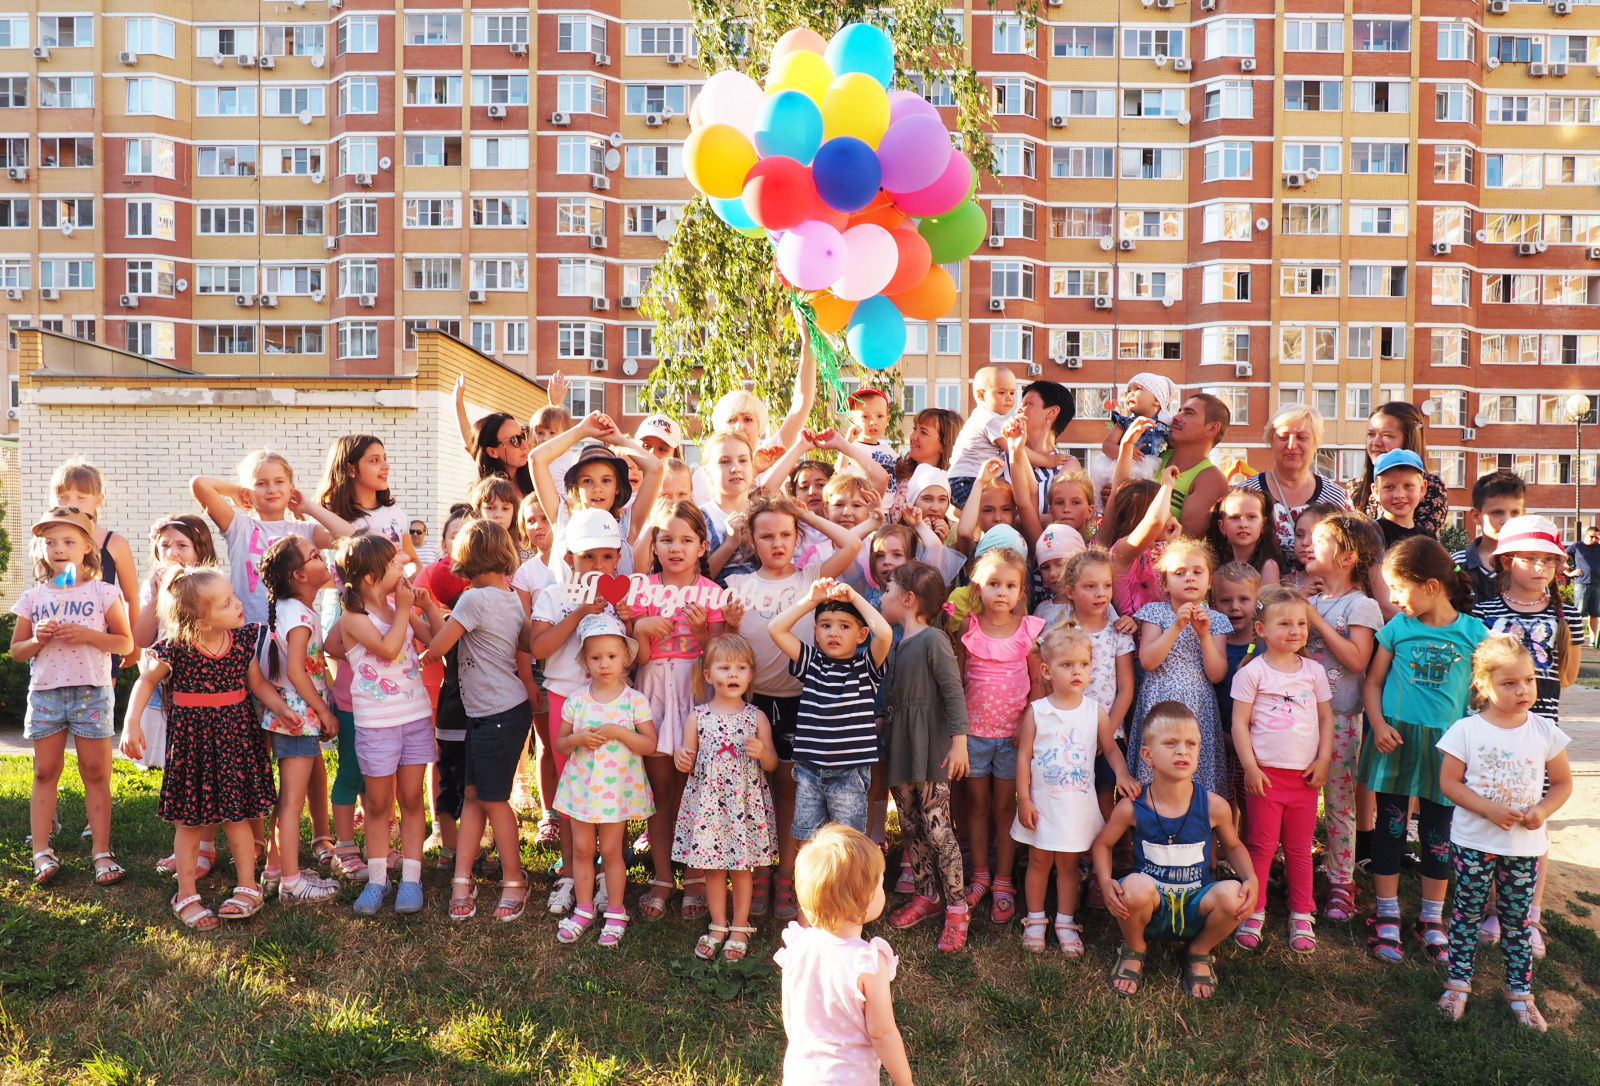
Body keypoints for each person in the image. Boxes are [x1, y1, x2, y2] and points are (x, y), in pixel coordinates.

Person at [122, 569, 291, 929]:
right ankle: (185, 892)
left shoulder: (242, 641)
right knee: (190, 821)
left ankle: (248, 886)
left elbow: (258, 685)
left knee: (237, 815)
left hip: (234, 740)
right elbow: (144, 681)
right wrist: (131, 723)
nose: (238, 604)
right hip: (192, 745)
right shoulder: (175, 648)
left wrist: (282, 709)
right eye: (227, 602)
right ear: (200, 618)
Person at [724, 494, 862, 922]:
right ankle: (757, 872)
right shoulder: (736, 586)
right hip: (753, 703)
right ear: (752, 539)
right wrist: (728, 625)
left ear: (797, 536)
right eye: (766, 535)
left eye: (786, 534)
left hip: (804, 702)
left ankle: (787, 875)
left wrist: (802, 511)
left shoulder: (812, 578)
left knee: (791, 792)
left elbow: (852, 546)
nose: (777, 542)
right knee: (752, 792)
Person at [1359, 537, 1488, 964]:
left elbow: (1486, 693)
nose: (1392, 598)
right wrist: (1377, 725)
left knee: (1438, 837)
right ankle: (1387, 914)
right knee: (1390, 830)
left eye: (1398, 588)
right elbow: (1373, 683)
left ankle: (1432, 919)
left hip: (1447, 752)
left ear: (1432, 586)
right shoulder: (1397, 627)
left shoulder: (1474, 634)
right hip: (1394, 743)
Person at [1437, 636, 1572, 1032]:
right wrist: (1488, 808)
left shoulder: (1545, 731)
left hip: (1523, 848)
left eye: (1528, 680)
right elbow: (1449, 783)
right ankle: (1458, 985)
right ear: (1482, 684)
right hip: (1474, 843)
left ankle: (1520, 995)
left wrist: (1542, 810)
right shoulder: (1466, 730)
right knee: (1465, 914)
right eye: (1510, 682)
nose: (1523, 690)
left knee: (1517, 921)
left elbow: (1562, 783)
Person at [1093, 701, 1258, 999]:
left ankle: (1199, 950)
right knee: (1132, 887)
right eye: (1170, 743)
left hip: (1197, 906)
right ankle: (1133, 948)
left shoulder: (1214, 806)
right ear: (1147, 755)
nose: (1182, 751)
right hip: (1148, 907)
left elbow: (1233, 846)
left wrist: (1251, 879)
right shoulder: (1131, 806)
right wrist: (1105, 882)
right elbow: (1103, 844)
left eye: (1190, 743)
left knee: (1234, 895)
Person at [1471, 514, 1581, 957]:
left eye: (1548, 561)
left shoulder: (1564, 611)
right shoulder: (1484, 611)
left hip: (1541, 727)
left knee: (1534, 817)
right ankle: (1490, 907)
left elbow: (1568, 674)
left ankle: (1528, 914)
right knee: (1491, 811)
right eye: (1529, 558)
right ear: (1505, 561)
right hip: (1490, 728)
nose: (1540, 568)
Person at [13, 506, 134, 887]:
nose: (59, 548)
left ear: (87, 547)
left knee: (96, 773)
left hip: (91, 692)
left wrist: (88, 636)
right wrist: (38, 639)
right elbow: (17, 650)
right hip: (47, 694)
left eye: (68, 541)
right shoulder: (34, 597)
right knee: (45, 772)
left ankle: (101, 852)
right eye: (50, 542)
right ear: (41, 550)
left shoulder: (103, 591)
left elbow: (125, 642)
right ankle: (42, 852)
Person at [422, 520, 535, 924]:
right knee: (474, 795)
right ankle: (461, 876)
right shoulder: (507, 596)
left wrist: (425, 649)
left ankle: (513, 881)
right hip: (498, 711)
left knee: (492, 800)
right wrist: (425, 613)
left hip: (495, 715)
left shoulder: (472, 599)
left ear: (465, 559)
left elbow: (439, 645)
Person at [334, 534, 446, 917]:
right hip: (377, 725)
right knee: (379, 804)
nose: (404, 568)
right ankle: (378, 879)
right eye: (396, 564)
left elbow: (436, 640)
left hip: (414, 717)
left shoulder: (401, 606)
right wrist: (402, 610)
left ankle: (412, 878)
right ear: (370, 578)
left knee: (412, 800)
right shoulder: (354, 618)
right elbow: (389, 648)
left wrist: (426, 608)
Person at [528, 507, 633, 915]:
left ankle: (609, 873)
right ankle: (572, 873)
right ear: (569, 556)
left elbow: (634, 656)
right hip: (564, 700)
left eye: (607, 556)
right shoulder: (554, 594)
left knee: (613, 788)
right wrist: (578, 614)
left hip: (612, 702)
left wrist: (629, 620)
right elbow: (538, 649)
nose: (598, 565)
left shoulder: (621, 595)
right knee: (572, 794)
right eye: (588, 556)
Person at [632, 501, 726, 921]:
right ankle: (663, 875)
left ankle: (696, 877)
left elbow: (719, 655)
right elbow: (637, 657)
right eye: (666, 539)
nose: (676, 548)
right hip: (653, 687)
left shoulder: (712, 592)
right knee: (662, 789)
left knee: (697, 789)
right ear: (653, 545)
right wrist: (641, 630)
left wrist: (704, 630)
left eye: (686, 540)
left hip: (695, 687)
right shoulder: (642, 590)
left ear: (702, 546)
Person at [1229, 587, 1334, 953]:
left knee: (1300, 848)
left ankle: (1302, 913)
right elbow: (1239, 724)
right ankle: (1253, 910)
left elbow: (1325, 718)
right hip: (1266, 778)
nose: (1295, 630)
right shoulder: (1252, 672)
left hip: (1304, 778)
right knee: (1260, 846)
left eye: (1301, 623)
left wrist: (1323, 760)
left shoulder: (1314, 672)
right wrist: (1250, 768)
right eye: (1285, 623)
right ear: (1261, 629)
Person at [878, 561, 972, 952]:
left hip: (931, 746)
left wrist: (960, 741)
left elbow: (953, 692)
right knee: (911, 826)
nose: (882, 596)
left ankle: (956, 908)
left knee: (936, 828)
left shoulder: (933, 640)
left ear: (907, 599)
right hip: (900, 746)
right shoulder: (893, 644)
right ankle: (926, 895)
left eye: (887, 589)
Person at [775, 824, 911, 1086]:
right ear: (863, 897)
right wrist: (906, 1082)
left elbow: (790, 1018)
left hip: (800, 1076)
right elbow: (882, 1032)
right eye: (880, 885)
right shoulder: (868, 963)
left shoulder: (797, 947)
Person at [552, 614, 658, 947]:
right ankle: (584, 909)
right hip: (583, 789)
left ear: (625, 658)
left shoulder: (633, 701)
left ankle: (614, 911)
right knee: (583, 850)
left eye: (612, 656)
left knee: (612, 851)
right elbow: (560, 743)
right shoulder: (577, 701)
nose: (604, 664)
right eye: (596, 657)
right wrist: (578, 739)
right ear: (585, 661)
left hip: (616, 791)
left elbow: (650, 745)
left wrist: (618, 732)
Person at [671, 634, 779, 962]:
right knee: (714, 870)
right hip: (710, 808)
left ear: (750, 675)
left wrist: (763, 753)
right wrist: (681, 758)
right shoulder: (698, 717)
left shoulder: (755, 717)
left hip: (743, 807)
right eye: (725, 667)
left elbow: (773, 763)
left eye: (741, 668)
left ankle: (739, 928)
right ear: (708, 675)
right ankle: (718, 925)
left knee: (743, 869)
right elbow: (686, 761)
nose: (733, 674)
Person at [952, 545, 1045, 924]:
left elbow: (1037, 685)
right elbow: (957, 680)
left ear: (1021, 592)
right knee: (976, 805)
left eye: (1009, 585)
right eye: (993, 584)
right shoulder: (968, 629)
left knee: (1006, 808)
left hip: (1011, 738)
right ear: (978, 589)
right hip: (973, 735)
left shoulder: (1029, 631)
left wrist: (1026, 728)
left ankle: (1004, 879)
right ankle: (980, 875)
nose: (1001, 592)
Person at [132, 516, 226, 876]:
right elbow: (141, 637)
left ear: (200, 551)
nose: (171, 552)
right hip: (166, 691)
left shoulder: (208, 587)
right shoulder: (152, 587)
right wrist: (156, 595)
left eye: (181, 545)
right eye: (165, 545)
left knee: (208, 768)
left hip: (201, 691)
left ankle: (205, 847)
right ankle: (186, 844)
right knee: (182, 769)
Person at [1301, 513, 1382, 921]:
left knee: (1337, 801)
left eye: (1318, 540)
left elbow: (1356, 659)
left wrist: (1314, 620)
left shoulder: (1362, 605)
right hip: (1299, 720)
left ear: (1347, 556)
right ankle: (1298, 872)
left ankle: (1340, 881)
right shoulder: (1309, 600)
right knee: (1299, 798)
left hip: (1344, 719)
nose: (1306, 546)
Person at [768, 578, 893, 839]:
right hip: (809, 770)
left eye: (844, 626)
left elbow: (884, 633)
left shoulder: (865, 666)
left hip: (850, 773)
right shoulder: (811, 662)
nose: (833, 633)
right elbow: (776, 629)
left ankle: (849, 883)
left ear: (861, 635)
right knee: (808, 840)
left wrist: (854, 597)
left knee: (848, 843)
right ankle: (810, 882)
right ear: (816, 631)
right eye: (825, 626)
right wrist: (811, 600)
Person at [255, 536, 342, 906]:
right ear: (299, 575)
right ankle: (291, 882)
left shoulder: (293, 609)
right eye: (315, 557)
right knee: (292, 802)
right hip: (298, 718)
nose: (323, 560)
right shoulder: (300, 615)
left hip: (289, 715)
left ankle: (275, 870)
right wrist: (323, 710)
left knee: (287, 800)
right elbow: (296, 669)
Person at [1013, 626, 1108, 955]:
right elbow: (1024, 756)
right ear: (1047, 671)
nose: (1076, 671)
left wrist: (1123, 776)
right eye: (1067, 665)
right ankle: (1036, 918)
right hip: (1043, 803)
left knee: (1069, 865)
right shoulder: (1038, 711)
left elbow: (1111, 750)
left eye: (1083, 664)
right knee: (1038, 860)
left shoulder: (1094, 711)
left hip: (1076, 807)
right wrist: (1023, 798)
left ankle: (1066, 921)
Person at [190, 450, 354, 625]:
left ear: (291, 488)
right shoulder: (239, 527)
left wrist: (309, 507)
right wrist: (237, 491)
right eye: (261, 484)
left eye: (279, 482)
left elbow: (353, 537)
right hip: (249, 631)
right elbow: (199, 484)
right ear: (248, 492)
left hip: (294, 630)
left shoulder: (305, 531)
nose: (271, 489)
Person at [1129, 538, 1233, 796]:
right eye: (1179, 573)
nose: (1190, 578)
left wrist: (1205, 635)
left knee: (1196, 772)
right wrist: (1176, 626)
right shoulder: (1155, 612)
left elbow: (1217, 674)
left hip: (1198, 705)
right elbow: (1148, 661)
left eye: (1198, 572)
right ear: (1164, 583)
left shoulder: (1216, 620)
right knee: (1157, 766)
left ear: (1209, 582)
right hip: (1159, 701)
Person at [50, 459, 140, 671]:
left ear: (98, 500)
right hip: (56, 644)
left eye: (81, 497)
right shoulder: (45, 543)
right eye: (62, 497)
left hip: (103, 644)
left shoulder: (114, 543)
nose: (70, 504)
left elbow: (131, 598)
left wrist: (135, 645)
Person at [1239, 404, 1351, 560]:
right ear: (1271, 441)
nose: (1291, 445)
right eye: (1283, 437)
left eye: (1301, 437)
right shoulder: (1246, 494)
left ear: (1315, 443)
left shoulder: (1336, 497)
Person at [1114, 394, 1231, 538]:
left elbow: (1184, 541)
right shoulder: (1153, 456)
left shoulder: (1211, 479)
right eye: (1179, 411)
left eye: (1188, 413)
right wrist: (1117, 494)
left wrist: (1132, 501)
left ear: (1212, 428)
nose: (1176, 417)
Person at [318, 435, 420, 568]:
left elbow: (412, 560)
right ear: (351, 469)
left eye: (385, 458)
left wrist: (414, 578)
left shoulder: (394, 512)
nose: (386, 466)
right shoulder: (328, 515)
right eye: (375, 460)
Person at [1353, 402, 1448, 536]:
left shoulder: (1432, 487)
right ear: (1375, 490)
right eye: (1371, 434)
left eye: (1387, 435)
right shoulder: (1355, 487)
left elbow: (1417, 544)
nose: (1376, 442)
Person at [1089, 373, 1176, 498]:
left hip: (1150, 471)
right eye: (1128, 390)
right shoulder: (1125, 423)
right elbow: (1107, 446)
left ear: (1157, 400)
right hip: (1125, 468)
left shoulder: (1165, 427)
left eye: (1138, 389)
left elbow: (1170, 450)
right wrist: (1126, 451)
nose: (1130, 394)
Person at [947, 365, 1018, 508]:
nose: (1009, 398)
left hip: (961, 481)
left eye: (1012, 393)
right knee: (984, 515)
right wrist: (1047, 460)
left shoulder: (983, 416)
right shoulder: (990, 419)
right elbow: (1016, 451)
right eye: (1002, 392)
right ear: (980, 395)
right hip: (968, 482)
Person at [1452, 471, 1525, 607]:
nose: (1507, 521)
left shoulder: (1531, 564)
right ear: (1476, 516)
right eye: (1496, 512)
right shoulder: (1456, 564)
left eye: (1515, 513)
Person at [1205, 486, 1284, 585]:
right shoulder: (1217, 564)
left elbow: (1269, 599)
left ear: (1263, 524)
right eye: (1235, 517)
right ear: (1222, 526)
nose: (1243, 525)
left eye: (1251, 517)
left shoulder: (1267, 566)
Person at [1370, 449, 1432, 550]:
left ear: (1422, 489)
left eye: (1408, 485)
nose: (1399, 495)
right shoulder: (1370, 536)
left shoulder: (1429, 539)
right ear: (1376, 491)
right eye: (1389, 487)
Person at [845, 387, 900, 480]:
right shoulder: (851, 448)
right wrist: (846, 444)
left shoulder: (888, 450)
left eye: (879, 416)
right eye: (865, 416)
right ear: (852, 420)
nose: (873, 422)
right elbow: (838, 474)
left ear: (887, 420)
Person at [1566, 522, 1600, 646]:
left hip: (1597, 584)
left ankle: (1593, 640)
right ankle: (1575, 638)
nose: (1594, 539)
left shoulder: (1598, 547)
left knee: (1595, 613)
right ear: (1586, 535)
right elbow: (1562, 558)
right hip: (1581, 584)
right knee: (1578, 612)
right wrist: (1569, 573)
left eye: (1597, 537)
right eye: (1592, 536)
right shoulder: (1577, 546)